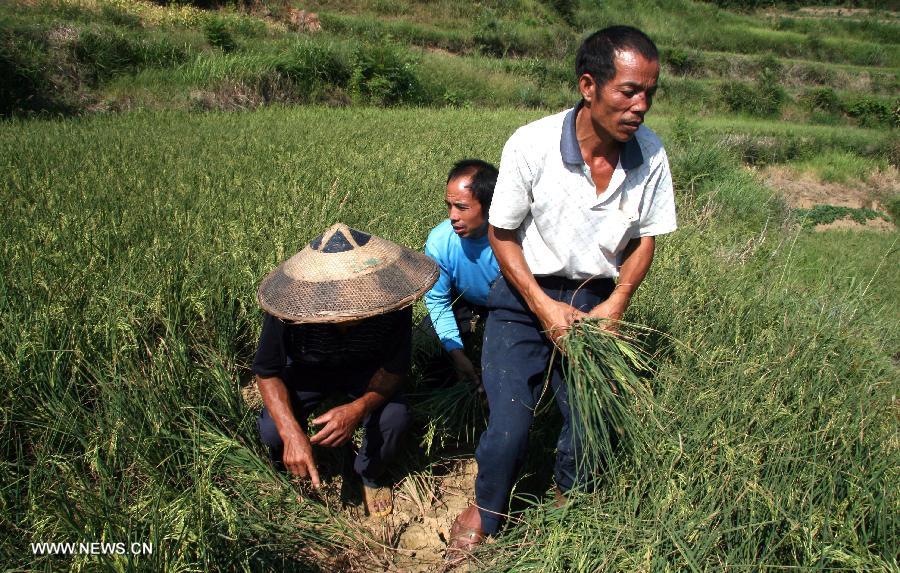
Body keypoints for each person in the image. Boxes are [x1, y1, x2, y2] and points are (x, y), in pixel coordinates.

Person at [448, 25, 677, 552]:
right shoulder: (531, 144)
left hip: (596, 297)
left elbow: (645, 239)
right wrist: (543, 306)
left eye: (650, 93)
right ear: (588, 86)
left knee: (593, 421)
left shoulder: (651, 154)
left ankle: (565, 500)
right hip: (525, 294)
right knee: (509, 428)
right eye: (628, 91)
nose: (641, 105)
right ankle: (487, 507)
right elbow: (503, 236)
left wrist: (617, 302)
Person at [253, 222, 438, 517]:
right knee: (272, 431)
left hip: (366, 371)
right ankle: (291, 463)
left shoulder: (391, 303)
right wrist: (291, 433)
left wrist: (357, 409)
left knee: (394, 418)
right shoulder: (289, 307)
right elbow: (266, 371)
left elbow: (394, 369)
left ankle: (368, 472)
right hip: (307, 372)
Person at [422, 159, 500, 388]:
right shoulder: (439, 241)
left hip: (509, 302)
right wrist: (456, 352)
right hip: (464, 298)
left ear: (490, 207)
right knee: (430, 340)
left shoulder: (513, 241)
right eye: (449, 205)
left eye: (462, 207)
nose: (452, 216)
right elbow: (438, 300)